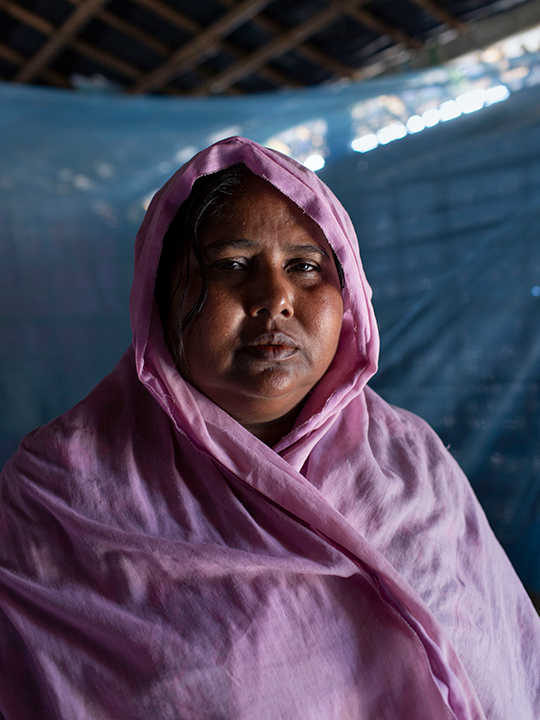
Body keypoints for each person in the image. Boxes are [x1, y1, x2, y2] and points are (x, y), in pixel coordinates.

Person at [0, 136, 538, 719]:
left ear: (349, 293)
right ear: (157, 296)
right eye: (232, 265)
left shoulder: (412, 459)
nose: (276, 297)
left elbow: (512, 659)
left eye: (305, 266)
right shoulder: (61, 491)